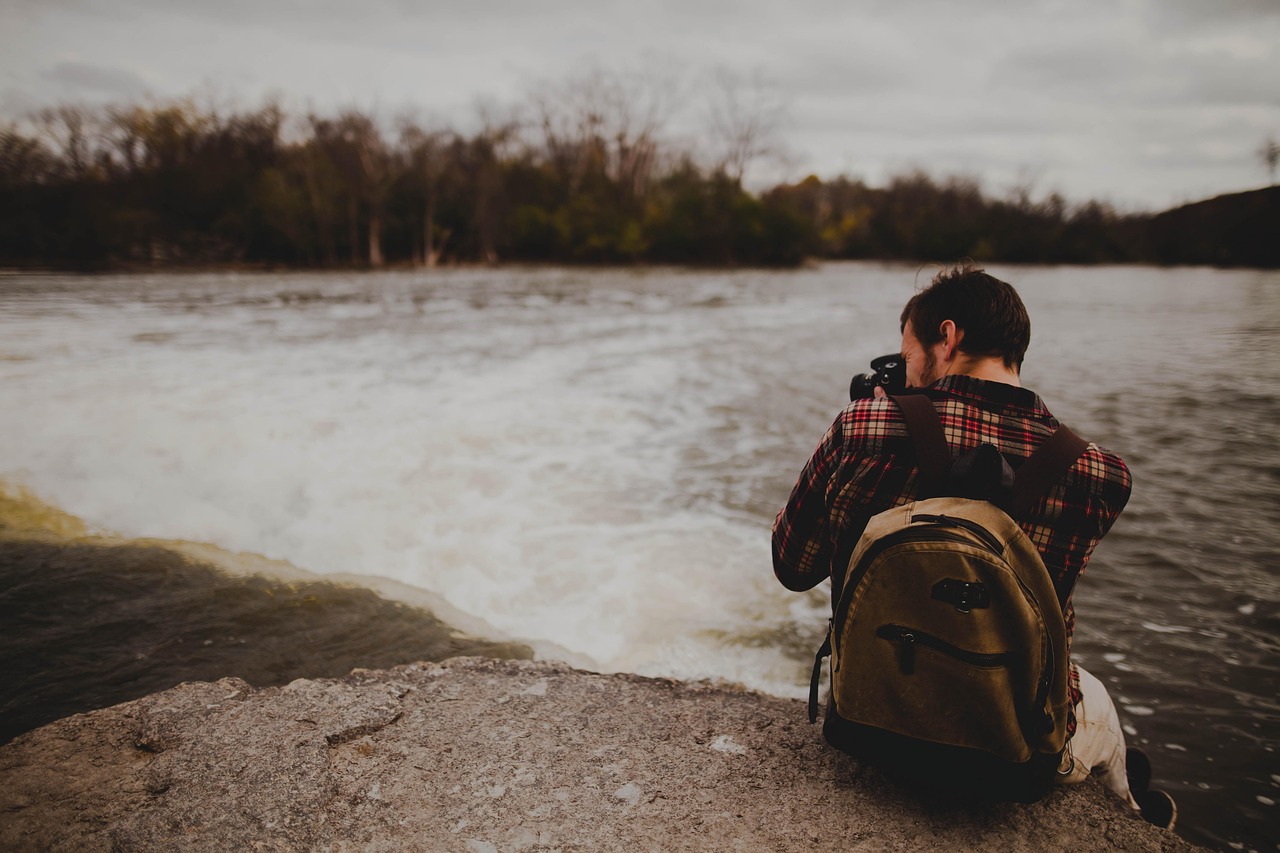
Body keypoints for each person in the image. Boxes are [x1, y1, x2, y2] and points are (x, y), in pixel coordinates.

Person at [771, 263, 1174, 827]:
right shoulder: (1098, 473)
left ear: (948, 336)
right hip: (1004, 747)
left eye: (908, 353)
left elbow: (792, 566)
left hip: (868, 717)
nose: (905, 370)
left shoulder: (863, 426)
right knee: (1098, 706)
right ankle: (1138, 819)